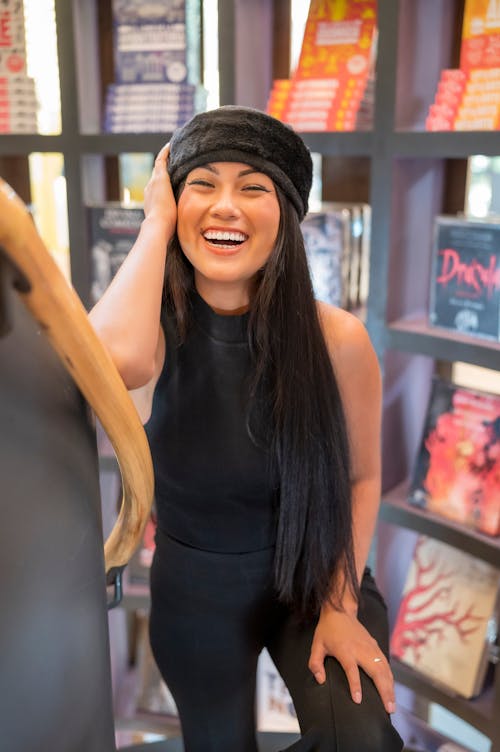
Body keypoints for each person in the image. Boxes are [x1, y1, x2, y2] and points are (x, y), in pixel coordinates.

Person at [89, 105, 404, 752]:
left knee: (359, 738)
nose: (225, 206)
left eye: (253, 188)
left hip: (316, 571)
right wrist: (155, 222)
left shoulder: (337, 339)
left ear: (286, 215)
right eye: (201, 185)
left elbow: (365, 477)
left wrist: (342, 607)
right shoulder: (148, 333)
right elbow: (111, 364)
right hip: (196, 586)